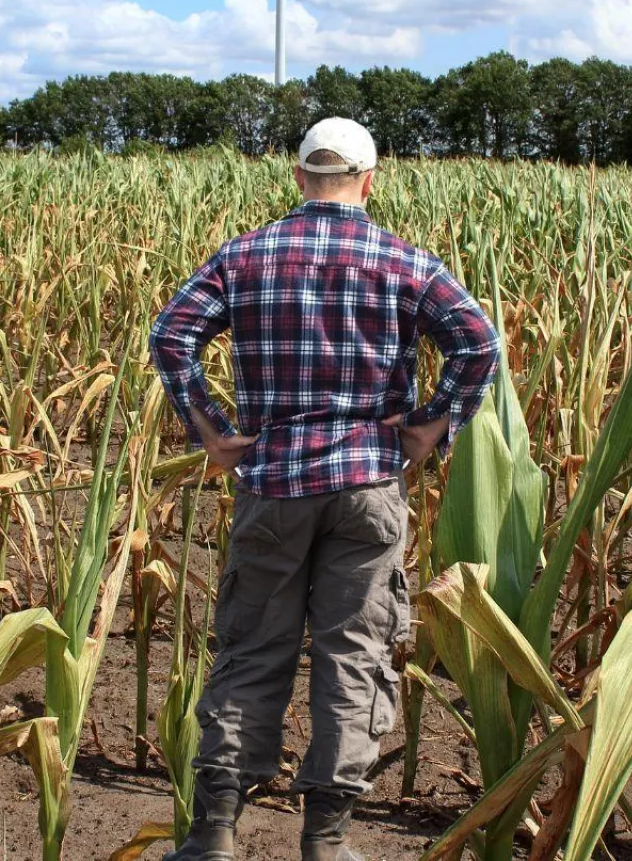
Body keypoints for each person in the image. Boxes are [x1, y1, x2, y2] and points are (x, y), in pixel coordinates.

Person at [149, 117, 500, 861]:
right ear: (370, 181)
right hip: (369, 484)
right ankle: (327, 840)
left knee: (253, 647)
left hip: (274, 482)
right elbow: (479, 342)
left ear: (300, 176)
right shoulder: (405, 262)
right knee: (355, 654)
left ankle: (213, 834)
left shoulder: (244, 256)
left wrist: (212, 431)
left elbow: (171, 335)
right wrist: (431, 427)